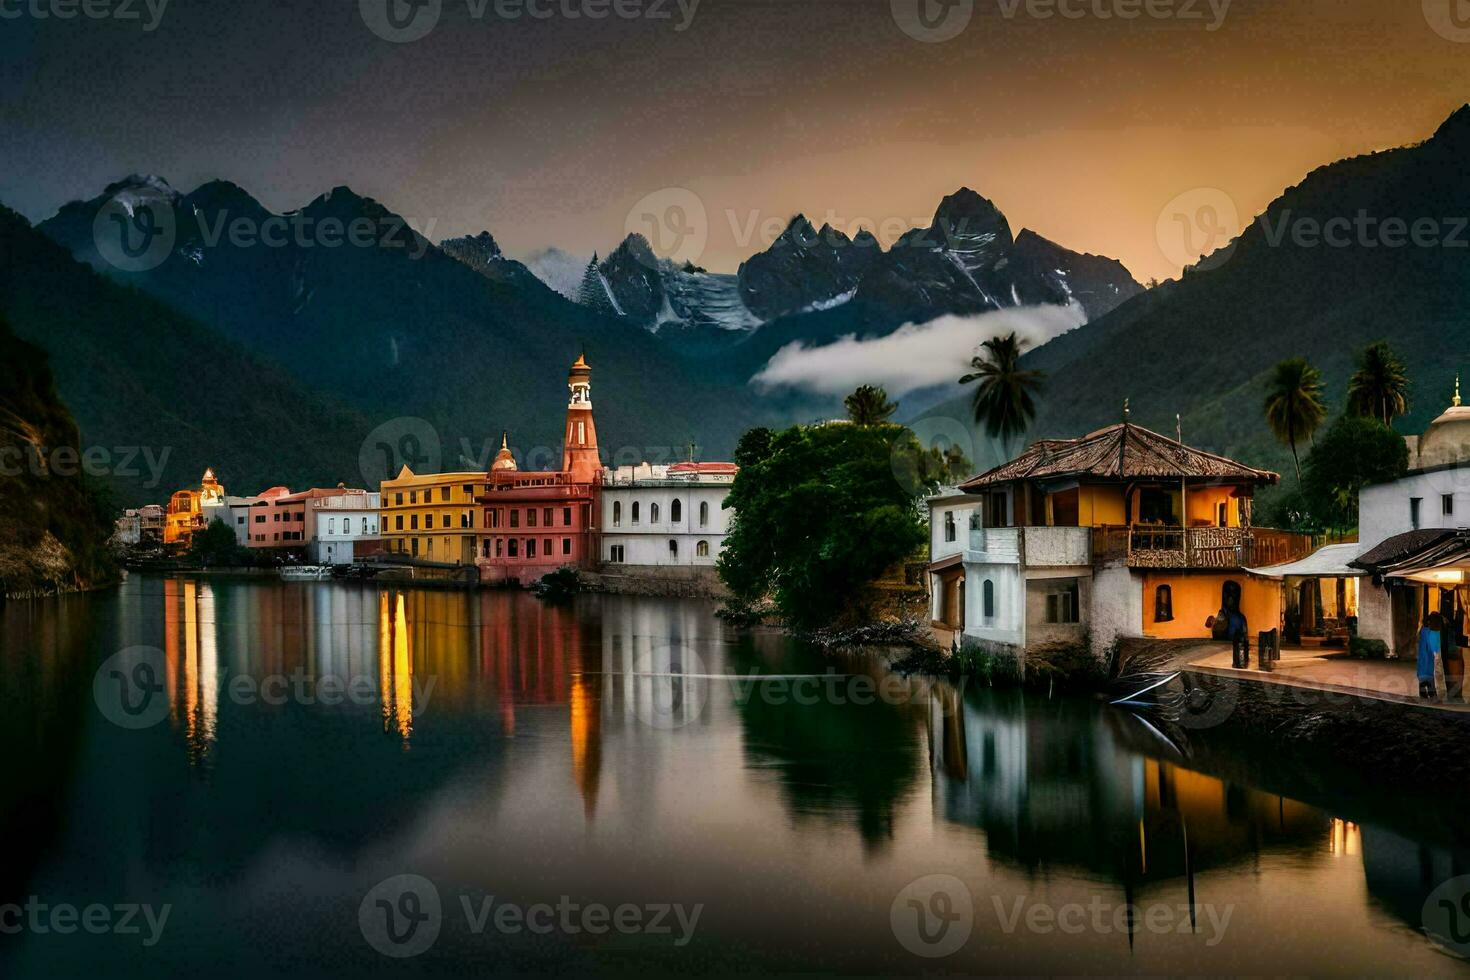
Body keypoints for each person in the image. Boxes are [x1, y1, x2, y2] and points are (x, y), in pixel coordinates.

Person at [1419, 612, 1444, 700]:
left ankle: (1424, 694)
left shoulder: (1424, 630)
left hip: (1423, 658)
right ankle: (1432, 696)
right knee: (1430, 678)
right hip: (1430, 659)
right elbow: (1435, 649)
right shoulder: (1434, 632)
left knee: (1423, 676)